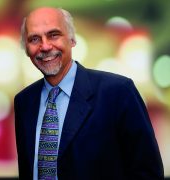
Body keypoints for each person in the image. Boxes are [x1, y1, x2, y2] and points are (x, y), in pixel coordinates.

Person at [14, 7, 164, 179]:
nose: (45, 46)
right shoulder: (24, 102)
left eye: (54, 35)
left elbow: (147, 172)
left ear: (72, 39)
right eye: (34, 39)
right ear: (26, 48)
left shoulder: (119, 92)